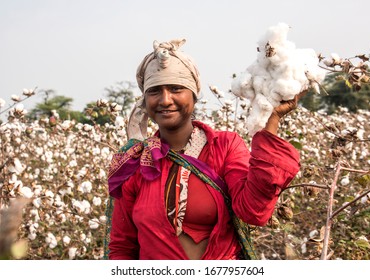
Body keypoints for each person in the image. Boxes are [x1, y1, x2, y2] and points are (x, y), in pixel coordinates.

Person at [106, 39, 301, 260]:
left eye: (176, 89)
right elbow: (122, 248)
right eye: (154, 91)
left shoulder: (224, 147)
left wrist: (271, 120)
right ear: (145, 99)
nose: (165, 99)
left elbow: (253, 211)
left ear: (194, 95)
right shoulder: (136, 162)